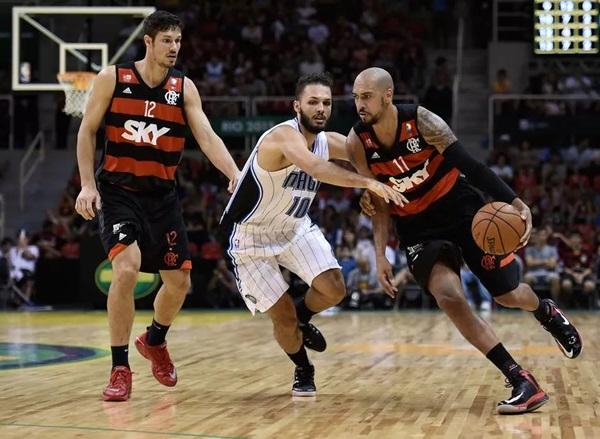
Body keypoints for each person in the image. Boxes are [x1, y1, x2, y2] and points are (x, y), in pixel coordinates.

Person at [346, 67, 582, 414]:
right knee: (449, 295)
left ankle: (545, 310)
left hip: (462, 209)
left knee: (508, 295)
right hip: (416, 228)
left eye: (366, 96)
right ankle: (520, 378)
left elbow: (470, 165)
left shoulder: (423, 122)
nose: (359, 104)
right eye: (355, 97)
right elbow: (378, 201)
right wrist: (381, 254)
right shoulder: (357, 143)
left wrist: (515, 201)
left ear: (388, 95)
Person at [74, 11, 240, 402]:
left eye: (178, 41)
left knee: (179, 281)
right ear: (148, 42)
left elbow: (207, 135)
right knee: (127, 270)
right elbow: (87, 130)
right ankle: (119, 368)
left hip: (162, 195)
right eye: (167, 40)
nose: (174, 48)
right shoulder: (113, 78)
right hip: (118, 192)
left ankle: (154, 340)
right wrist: (86, 184)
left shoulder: (183, 88)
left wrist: (233, 173)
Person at [220, 72, 404, 397]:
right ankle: (303, 367)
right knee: (282, 318)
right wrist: (367, 184)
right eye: (313, 102)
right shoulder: (282, 137)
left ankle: (302, 319)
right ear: (296, 106)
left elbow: (371, 156)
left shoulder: (330, 141)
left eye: (327, 103)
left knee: (334, 290)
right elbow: (316, 168)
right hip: (252, 238)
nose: (321, 109)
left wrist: (370, 180)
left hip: (294, 227)